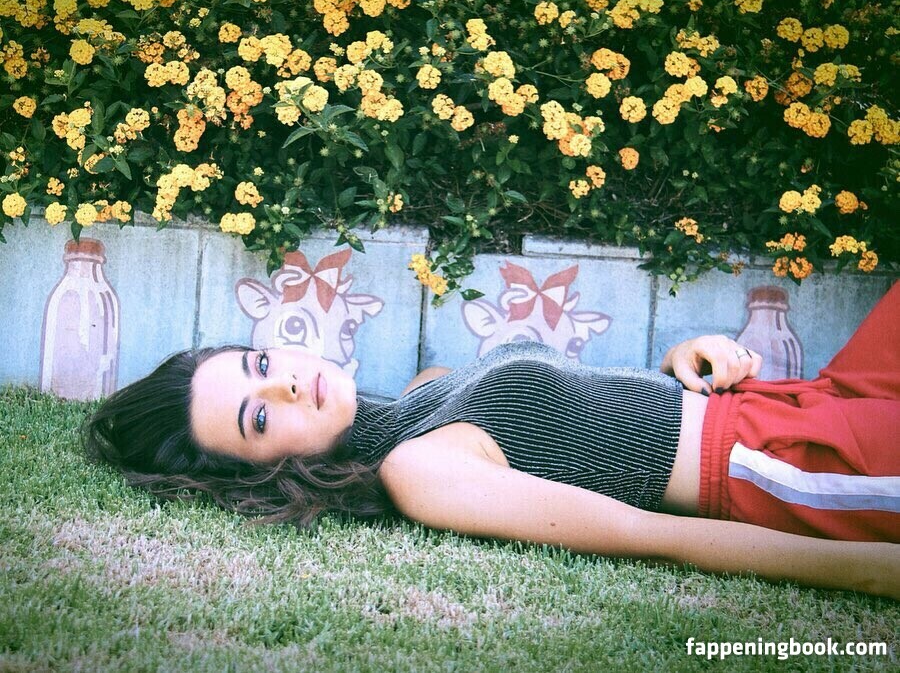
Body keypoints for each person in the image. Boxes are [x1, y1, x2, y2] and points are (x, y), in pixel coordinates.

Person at [82, 283, 900, 599]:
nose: (286, 384)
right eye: (258, 418)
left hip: (787, 399)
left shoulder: (423, 393)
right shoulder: (421, 470)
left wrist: (679, 360)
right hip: (777, 465)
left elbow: (589, 423)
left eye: (260, 364)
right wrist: (872, 570)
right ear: (265, 472)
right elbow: (653, 533)